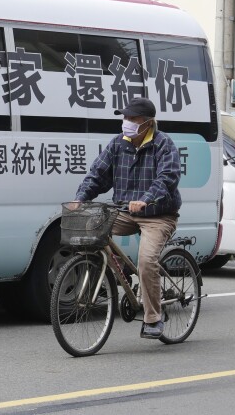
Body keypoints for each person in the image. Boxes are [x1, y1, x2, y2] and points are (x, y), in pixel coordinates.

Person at [72, 97, 181, 339]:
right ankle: (119, 269)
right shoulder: (118, 144)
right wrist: (81, 197)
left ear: (147, 123)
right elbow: (97, 174)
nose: (126, 123)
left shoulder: (164, 145)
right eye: (125, 118)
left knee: (146, 260)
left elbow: (168, 177)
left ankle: (154, 318)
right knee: (94, 227)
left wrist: (146, 198)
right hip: (125, 211)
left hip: (158, 214)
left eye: (132, 119)